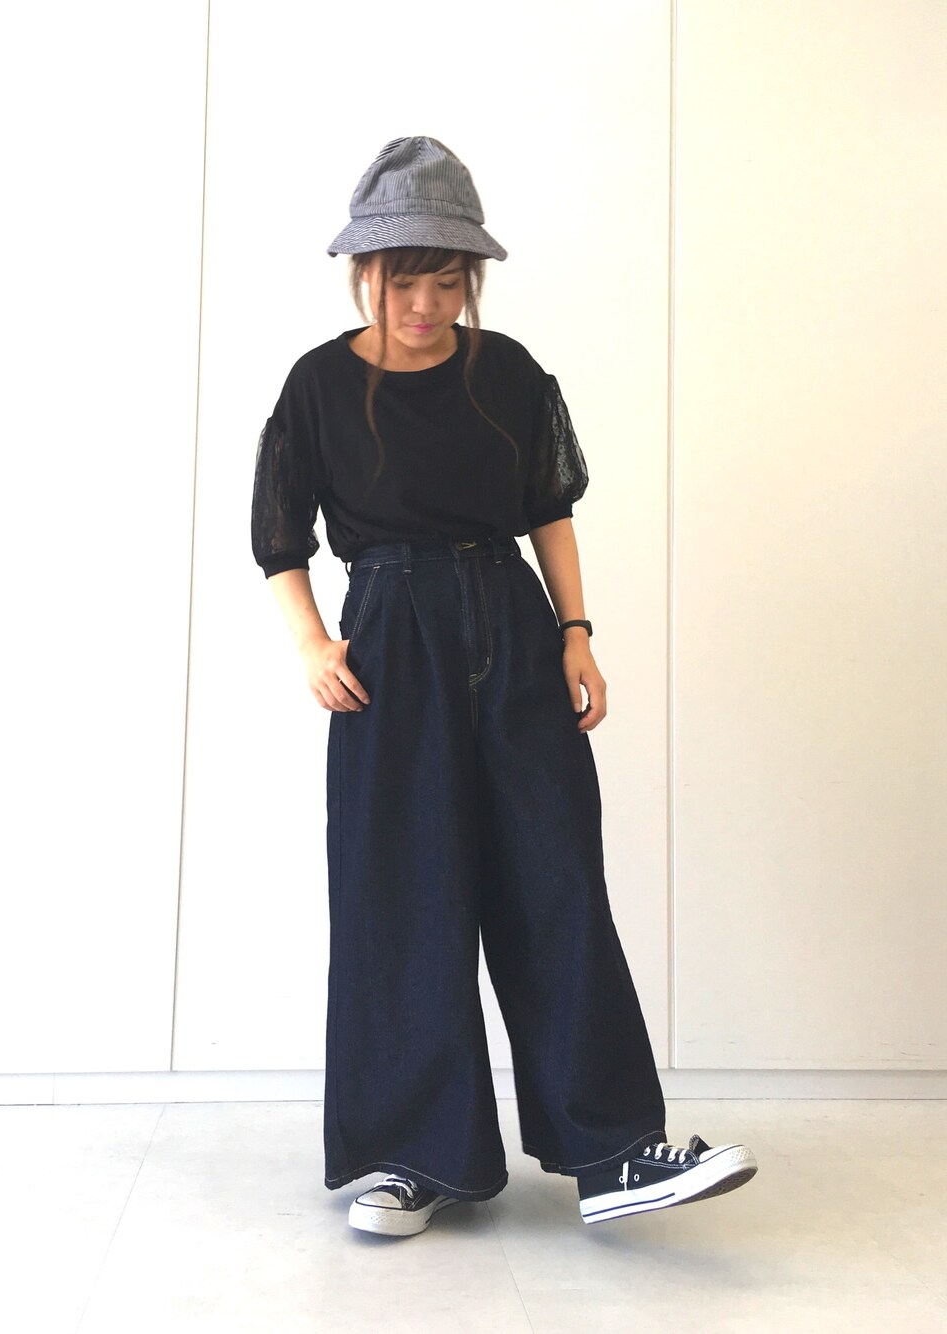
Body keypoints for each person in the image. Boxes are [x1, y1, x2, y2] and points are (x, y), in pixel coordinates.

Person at [251, 136, 757, 1238]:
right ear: (364, 271)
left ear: (470, 277)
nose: (424, 305)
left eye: (446, 281)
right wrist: (312, 642)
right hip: (389, 643)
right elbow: (280, 535)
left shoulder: (510, 372)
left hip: (514, 627)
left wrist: (576, 633)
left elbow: (548, 510)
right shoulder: (319, 384)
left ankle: (613, 1150)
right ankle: (410, 1155)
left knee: (554, 875)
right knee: (402, 888)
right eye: (403, 280)